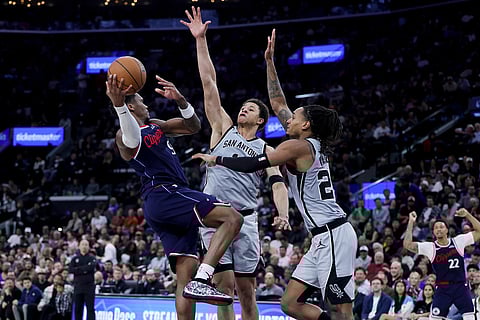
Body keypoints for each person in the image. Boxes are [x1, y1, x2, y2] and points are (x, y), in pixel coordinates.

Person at [193, 28, 358, 320]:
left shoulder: (295, 147)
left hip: (330, 230)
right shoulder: (295, 138)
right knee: (288, 304)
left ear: (304, 126)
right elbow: (279, 103)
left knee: (341, 306)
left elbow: (264, 173)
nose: (288, 118)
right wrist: (270, 63)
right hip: (316, 234)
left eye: (295, 117)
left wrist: (216, 157)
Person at [182, 7, 290, 320]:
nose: (243, 110)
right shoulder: (223, 128)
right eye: (242, 107)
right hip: (214, 215)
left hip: (246, 220)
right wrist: (200, 41)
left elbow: (278, 184)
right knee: (223, 291)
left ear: (261, 119)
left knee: (246, 292)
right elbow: (209, 84)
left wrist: (282, 213)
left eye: (250, 108)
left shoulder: (267, 148)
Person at [105, 72, 244, 316]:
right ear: (130, 106)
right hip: (165, 193)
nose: (146, 104)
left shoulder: (155, 126)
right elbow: (131, 138)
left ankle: (196, 281)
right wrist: (119, 108)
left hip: (164, 202)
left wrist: (181, 101)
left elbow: (194, 126)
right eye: (140, 101)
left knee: (184, 276)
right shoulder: (123, 135)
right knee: (232, 218)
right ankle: (204, 280)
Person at [404, 209, 480, 320]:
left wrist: (468, 215)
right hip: (443, 288)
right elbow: (407, 244)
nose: (439, 229)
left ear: (447, 230)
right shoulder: (430, 247)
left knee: (470, 318)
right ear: (433, 232)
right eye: (436, 228)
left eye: (441, 227)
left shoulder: (458, 241)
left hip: (460, 287)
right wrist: (411, 222)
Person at [68, 239, 96, 320]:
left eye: (86, 244)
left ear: (89, 247)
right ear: (79, 246)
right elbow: (71, 269)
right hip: (78, 286)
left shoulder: (92, 258)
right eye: (83, 244)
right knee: (78, 309)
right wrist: (84, 269)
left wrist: (78, 269)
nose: (84, 246)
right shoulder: (74, 259)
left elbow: (91, 267)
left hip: (89, 287)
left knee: (90, 309)